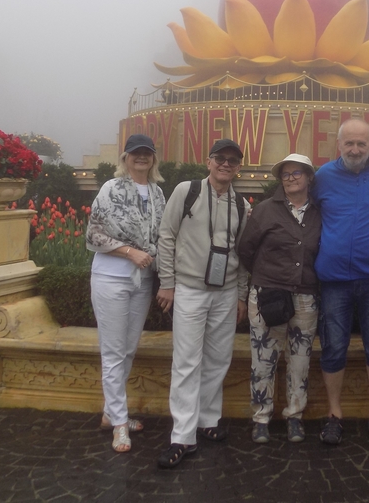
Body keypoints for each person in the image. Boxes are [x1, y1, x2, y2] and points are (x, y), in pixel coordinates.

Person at [155, 138, 251, 468]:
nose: (226, 164)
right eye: (220, 158)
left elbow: (243, 255)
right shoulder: (187, 191)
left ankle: (207, 420)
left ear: (238, 168)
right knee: (186, 361)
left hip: (226, 292)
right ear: (208, 162)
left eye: (233, 161)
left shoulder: (241, 205)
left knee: (218, 359)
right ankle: (182, 436)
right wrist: (167, 283)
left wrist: (241, 295)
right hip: (190, 289)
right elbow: (166, 236)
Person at [313, 118, 369, 447]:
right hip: (334, 279)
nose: (355, 149)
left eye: (361, 144)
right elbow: (310, 218)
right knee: (332, 347)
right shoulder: (323, 176)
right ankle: (334, 414)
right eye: (349, 143)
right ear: (338, 144)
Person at [85, 134, 166, 453]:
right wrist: (130, 252)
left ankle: (111, 412)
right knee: (113, 351)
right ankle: (119, 422)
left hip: (142, 281)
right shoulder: (111, 188)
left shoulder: (158, 193)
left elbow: (163, 235)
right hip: (111, 278)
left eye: (147, 153)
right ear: (125, 157)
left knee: (128, 349)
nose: (141, 157)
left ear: (153, 158)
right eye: (135, 153)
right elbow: (94, 234)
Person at [237, 154, 321, 444]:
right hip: (268, 295)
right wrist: (268, 274)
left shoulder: (319, 212)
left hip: (305, 296)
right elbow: (246, 250)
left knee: (300, 360)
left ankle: (294, 416)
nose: (291, 178)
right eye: (285, 174)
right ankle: (261, 417)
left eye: (297, 173)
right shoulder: (265, 211)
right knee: (263, 359)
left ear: (309, 177)